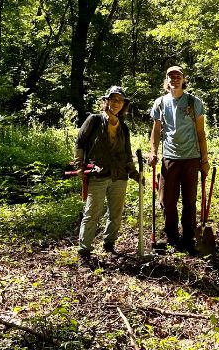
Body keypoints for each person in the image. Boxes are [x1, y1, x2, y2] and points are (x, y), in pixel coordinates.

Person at [74, 86, 142, 262]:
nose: (116, 103)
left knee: (116, 214)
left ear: (124, 104)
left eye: (120, 100)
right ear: (106, 101)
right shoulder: (94, 121)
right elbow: (80, 143)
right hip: (97, 174)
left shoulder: (124, 128)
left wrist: (134, 174)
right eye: (113, 99)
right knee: (92, 213)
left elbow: (127, 154)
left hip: (119, 176)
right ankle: (84, 250)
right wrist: (79, 166)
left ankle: (109, 244)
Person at [148, 66, 210, 252]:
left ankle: (189, 238)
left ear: (184, 79)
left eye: (178, 76)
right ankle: (172, 237)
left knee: (189, 201)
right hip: (169, 158)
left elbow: (201, 132)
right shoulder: (160, 103)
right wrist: (153, 152)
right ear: (166, 80)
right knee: (167, 200)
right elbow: (156, 130)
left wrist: (204, 160)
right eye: (171, 76)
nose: (174, 79)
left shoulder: (193, 102)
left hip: (191, 158)